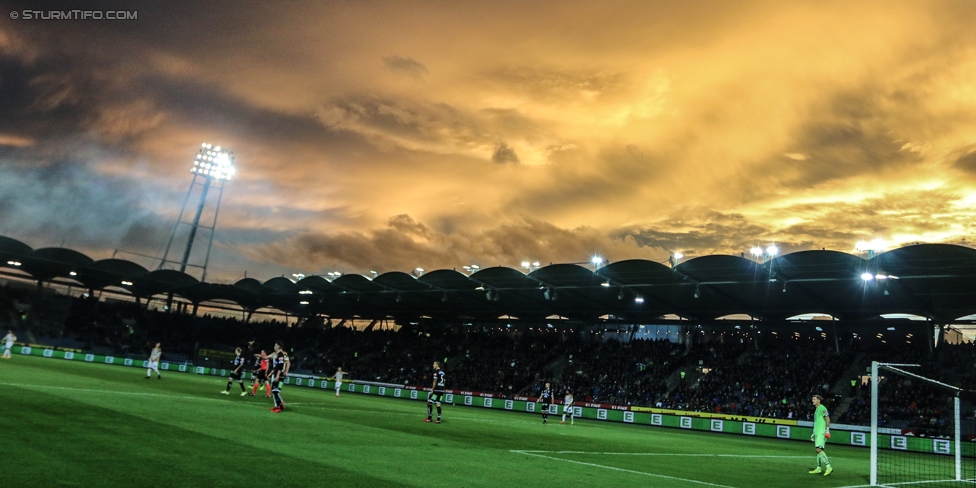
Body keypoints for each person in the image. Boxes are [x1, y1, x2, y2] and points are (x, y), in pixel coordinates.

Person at [809, 395, 833, 476]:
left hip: (821, 432)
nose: (813, 400)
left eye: (814, 399)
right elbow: (817, 422)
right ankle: (819, 468)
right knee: (818, 450)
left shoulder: (822, 408)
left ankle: (828, 467)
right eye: (812, 399)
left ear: (819, 400)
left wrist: (827, 430)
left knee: (819, 450)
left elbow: (827, 418)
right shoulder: (817, 409)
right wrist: (814, 432)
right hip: (817, 432)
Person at [269, 342, 289, 413]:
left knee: (275, 390)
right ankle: (280, 405)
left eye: (275, 345)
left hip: (280, 376)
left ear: (279, 347)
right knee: (275, 390)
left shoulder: (280, 355)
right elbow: (276, 366)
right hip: (278, 375)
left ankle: (279, 407)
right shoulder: (277, 354)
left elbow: (280, 366)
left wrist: (277, 375)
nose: (274, 346)